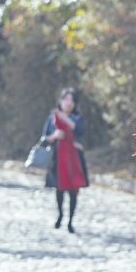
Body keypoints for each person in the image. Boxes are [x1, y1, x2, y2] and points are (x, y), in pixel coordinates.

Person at [44, 88, 88, 233]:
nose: (68, 103)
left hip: (74, 159)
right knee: (59, 188)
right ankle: (60, 215)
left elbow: (81, 132)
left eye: (72, 100)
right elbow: (45, 138)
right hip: (58, 158)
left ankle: (70, 220)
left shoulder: (77, 119)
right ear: (61, 101)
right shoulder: (52, 119)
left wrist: (66, 121)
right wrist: (54, 136)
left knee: (73, 190)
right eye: (66, 99)